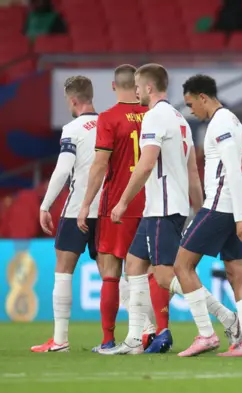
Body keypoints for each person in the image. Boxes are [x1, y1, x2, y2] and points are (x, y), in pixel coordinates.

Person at [100, 64, 203, 355]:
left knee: (164, 276)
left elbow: (145, 164)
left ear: (147, 88)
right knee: (133, 264)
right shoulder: (180, 118)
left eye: (137, 85)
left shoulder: (155, 116)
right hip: (163, 206)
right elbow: (192, 170)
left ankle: (222, 317)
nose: (134, 91)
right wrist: (198, 208)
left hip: (163, 207)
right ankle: (134, 338)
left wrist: (121, 202)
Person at [175, 74, 242, 357]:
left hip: (222, 206)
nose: (191, 111)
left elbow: (232, 170)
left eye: (191, 104)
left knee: (181, 266)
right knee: (237, 273)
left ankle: (206, 335)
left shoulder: (221, 123)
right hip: (235, 203)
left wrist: (237, 219)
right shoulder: (233, 121)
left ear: (203, 97)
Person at [76, 65, 155, 353]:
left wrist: (86, 204)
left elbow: (99, 166)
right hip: (150, 204)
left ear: (113, 86)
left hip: (117, 206)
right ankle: (154, 332)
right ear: (137, 86)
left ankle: (108, 340)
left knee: (111, 273)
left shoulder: (108, 118)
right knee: (149, 274)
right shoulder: (152, 114)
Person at [31, 76, 100, 352]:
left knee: (63, 270)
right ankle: (142, 332)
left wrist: (45, 205)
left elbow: (62, 170)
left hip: (76, 209)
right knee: (115, 273)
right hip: (106, 209)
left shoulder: (73, 128)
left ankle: (60, 340)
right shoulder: (109, 124)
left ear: (72, 100)